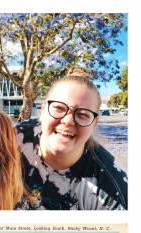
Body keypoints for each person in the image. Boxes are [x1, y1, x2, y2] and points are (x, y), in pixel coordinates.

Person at [16, 67, 128, 210]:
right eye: (59, 108)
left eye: (82, 114)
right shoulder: (15, 139)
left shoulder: (112, 191)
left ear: (94, 125)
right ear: (43, 111)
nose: (68, 121)